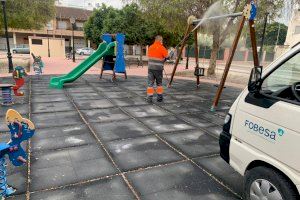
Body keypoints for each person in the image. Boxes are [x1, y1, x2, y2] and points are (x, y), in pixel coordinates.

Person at [147, 35, 169, 103]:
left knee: (150, 84)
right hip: (158, 69)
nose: (162, 42)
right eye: (161, 40)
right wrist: (167, 57)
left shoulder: (150, 47)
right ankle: (159, 98)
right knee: (159, 84)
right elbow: (167, 56)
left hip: (150, 68)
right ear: (160, 40)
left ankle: (149, 98)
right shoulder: (162, 48)